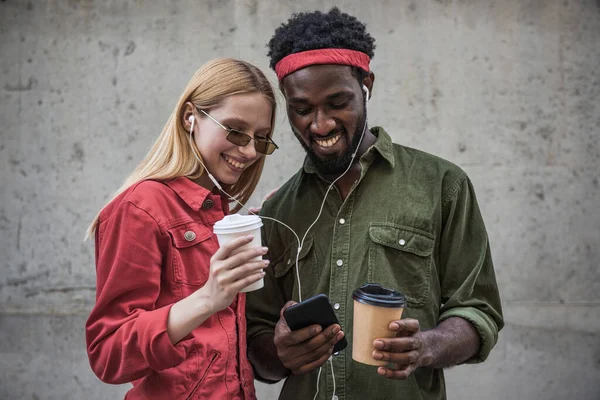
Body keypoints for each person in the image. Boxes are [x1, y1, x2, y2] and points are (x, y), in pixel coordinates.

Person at [245, 8, 504, 400]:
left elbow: (478, 311)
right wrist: (279, 351)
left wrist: (427, 346)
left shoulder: (442, 185)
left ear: (367, 85)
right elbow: (256, 347)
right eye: (302, 109)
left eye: (337, 102)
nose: (321, 124)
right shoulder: (275, 212)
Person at [85, 58, 279, 399]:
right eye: (235, 130)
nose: (248, 150)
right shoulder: (140, 208)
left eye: (261, 138)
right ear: (191, 116)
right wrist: (207, 298)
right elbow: (108, 354)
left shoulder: (220, 214)